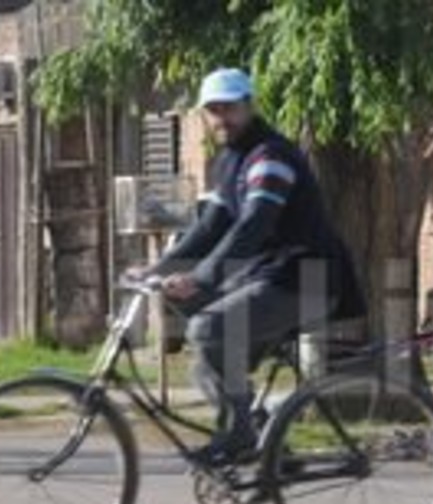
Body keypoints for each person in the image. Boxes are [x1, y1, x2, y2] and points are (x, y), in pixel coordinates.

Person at [138, 68, 365, 465]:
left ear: (249, 105)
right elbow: (210, 226)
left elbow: (254, 223)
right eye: (213, 110)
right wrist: (157, 270)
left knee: (207, 329)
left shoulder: (270, 156)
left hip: (306, 279)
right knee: (206, 361)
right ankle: (266, 445)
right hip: (269, 277)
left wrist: (201, 275)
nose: (222, 118)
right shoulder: (230, 161)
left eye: (230, 107)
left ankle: (240, 434)